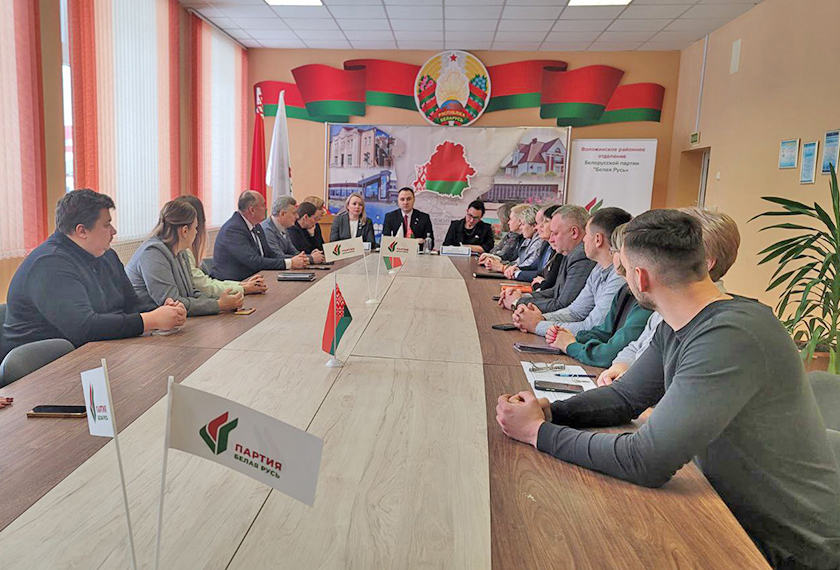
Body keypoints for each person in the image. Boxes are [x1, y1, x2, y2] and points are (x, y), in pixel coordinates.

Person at [495, 209, 840, 569]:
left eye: (624, 269)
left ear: (640, 278)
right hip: (725, 513)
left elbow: (646, 460)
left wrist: (537, 432)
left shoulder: (731, 335)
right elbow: (625, 397)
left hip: (780, 548)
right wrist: (550, 412)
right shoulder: (680, 323)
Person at [1, 189, 186, 358]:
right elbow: (84, 328)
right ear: (82, 231)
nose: (114, 231)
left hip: (95, 353)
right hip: (41, 369)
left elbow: (132, 305)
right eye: (107, 225)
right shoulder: (49, 264)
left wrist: (164, 311)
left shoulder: (106, 255)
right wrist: (149, 320)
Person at [597, 207, 741, 386]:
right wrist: (621, 366)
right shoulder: (664, 309)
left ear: (705, 263)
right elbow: (636, 347)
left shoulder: (712, 327)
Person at [546, 223, 652, 367]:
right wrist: (569, 336)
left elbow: (610, 353)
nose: (611, 255)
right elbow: (603, 331)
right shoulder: (625, 290)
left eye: (613, 250)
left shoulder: (645, 299)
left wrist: (570, 345)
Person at [513, 207, 631, 336]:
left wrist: (537, 325)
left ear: (598, 239)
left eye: (587, 234)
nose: (584, 239)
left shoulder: (618, 277)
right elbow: (575, 312)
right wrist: (539, 318)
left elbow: (591, 327)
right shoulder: (598, 269)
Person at [126, 200, 244, 317]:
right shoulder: (153, 254)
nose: (197, 232)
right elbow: (172, 303)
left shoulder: (180, 250)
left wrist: (220, 300)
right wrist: (219, 305)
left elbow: (191, 292)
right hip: (149, 324)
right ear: (185, 231)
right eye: (195, 227)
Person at [500, 205, 593, 312]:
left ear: (574, 232)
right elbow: (555, 291)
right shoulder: (569, 252)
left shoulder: (581, 256)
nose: (551, 240)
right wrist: (523, 296)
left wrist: (517, 302)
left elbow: (562, 305)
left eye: (555, 234)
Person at [173, 195, 266, 297]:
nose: (265, 208)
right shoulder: (183, 252)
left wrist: (243, 285)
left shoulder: (181, 250)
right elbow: (205, 287)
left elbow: (206, 283)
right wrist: (244, 288)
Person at [212, 190, 299, 281]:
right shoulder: (233, 229)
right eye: (263, 205)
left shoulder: (256, 226)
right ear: (252, 210)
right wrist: (289, 263)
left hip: (254, 279)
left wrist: (297, 260)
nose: (266, 209)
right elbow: (253, 261)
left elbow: (270, 254)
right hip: (234, 283)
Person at [260, 196, 326, 266]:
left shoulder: (284, 226)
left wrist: (310, 256)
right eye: (294, 213)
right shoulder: (267, 229)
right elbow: (277, 256)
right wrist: (311, 258)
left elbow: (294, 252)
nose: (297, 216)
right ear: (282, 214)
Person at [484, 204, 543, 275]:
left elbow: (527, 267)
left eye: (523, 224)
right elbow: (517, 262)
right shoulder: (528, 240)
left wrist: (502, 267)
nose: (520, 227)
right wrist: (495, 262)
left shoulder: (538, 242)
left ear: (534, 226)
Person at [512, 204, 559, 283]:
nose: (538, 227)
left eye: (546, 221)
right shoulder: (546, 245)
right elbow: (535, 267)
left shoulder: (561, 250)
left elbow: (547, 277)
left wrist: (515, 273)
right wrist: (516, 269)